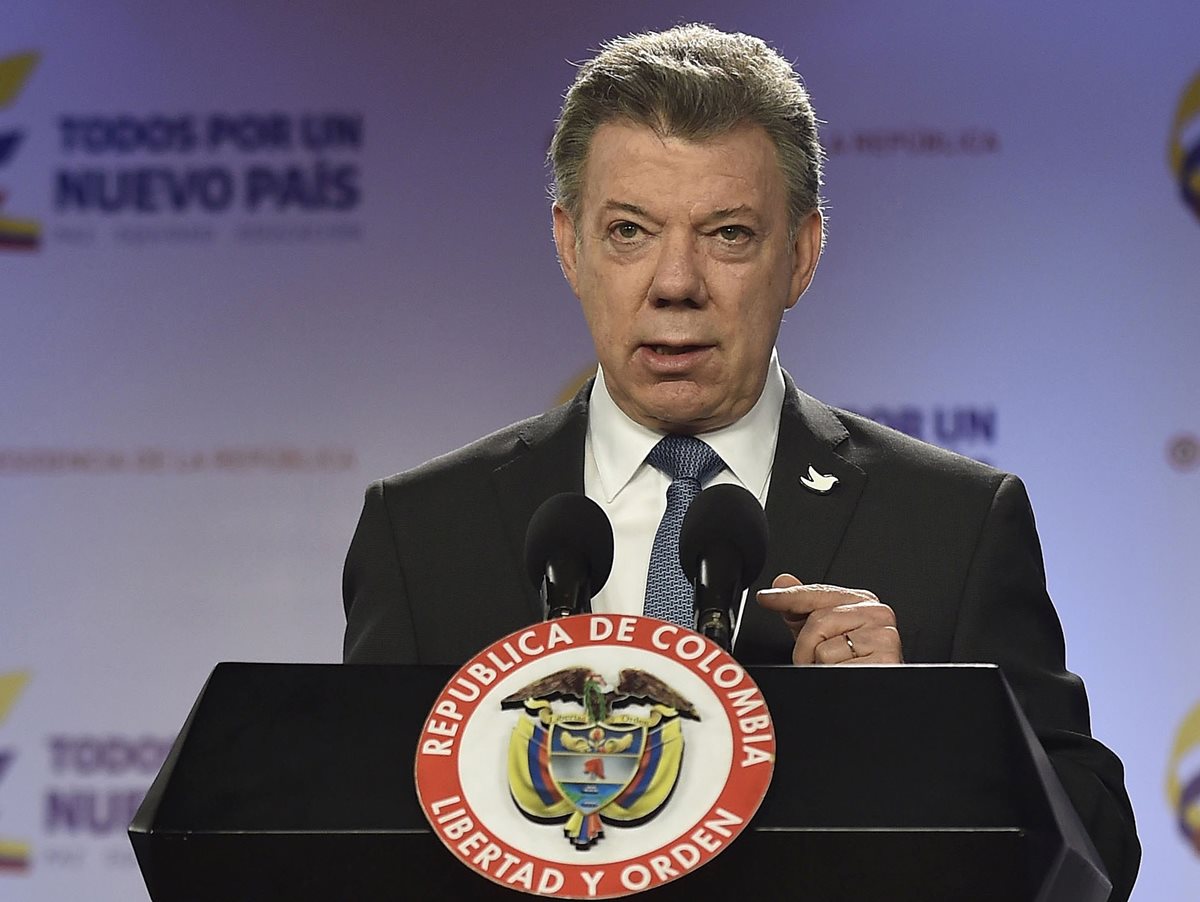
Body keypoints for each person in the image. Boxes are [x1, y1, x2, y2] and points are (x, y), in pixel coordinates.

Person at [342, 24, 1138, 898]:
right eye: (630, 232)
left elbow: (1095, 851)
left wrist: (921, 727)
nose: (676, 282)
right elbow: (342, 838)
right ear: (570, 246)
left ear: (799, 255)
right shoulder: (423, 532)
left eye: (726, 234)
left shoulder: (952, 524)